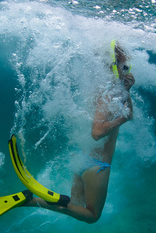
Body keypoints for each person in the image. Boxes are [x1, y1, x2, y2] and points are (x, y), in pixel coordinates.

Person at [23, 41, 135, 223]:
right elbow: (97, 132)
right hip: (98, 166)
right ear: (116, 64)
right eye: (125, 64)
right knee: (91, 216)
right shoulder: (109, 92)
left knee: (74, 205)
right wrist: (123, 118)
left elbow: (127, 114)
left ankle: (33, 201)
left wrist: (127, 91)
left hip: (83, 159)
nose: (128, 67)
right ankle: (33, 202)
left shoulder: (103, 88)